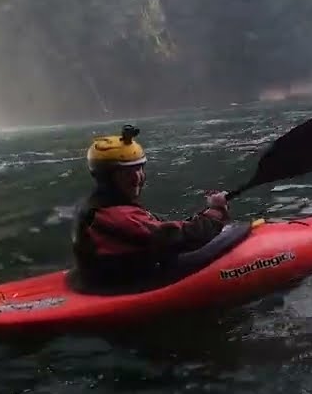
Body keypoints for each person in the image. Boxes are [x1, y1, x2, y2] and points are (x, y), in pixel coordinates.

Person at [71, 124, 231, 289]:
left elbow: (160, 229)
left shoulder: (96, 203)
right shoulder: (117, 215)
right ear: (106, 178)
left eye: (139, 168)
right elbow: (177, 237)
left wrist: (205, 216)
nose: (137, 178)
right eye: (127, 173)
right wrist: (216, 213)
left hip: (96, 278)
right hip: (120, 286)